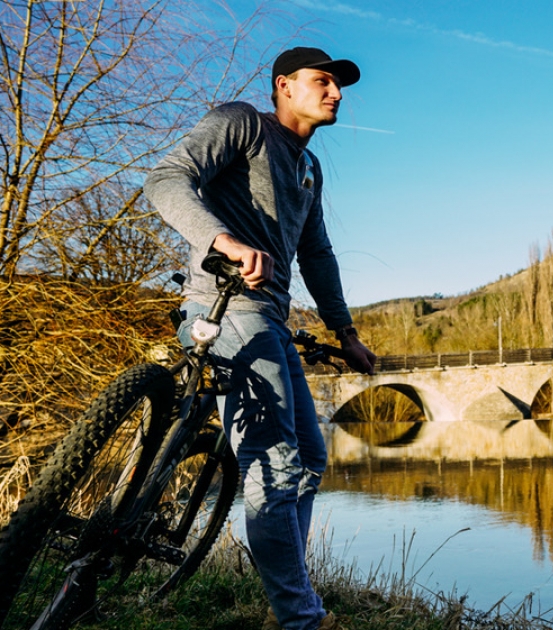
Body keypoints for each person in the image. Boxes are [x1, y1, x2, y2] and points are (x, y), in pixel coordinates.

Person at [145, 46, 376, 630]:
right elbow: (166, 179)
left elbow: (317, 254)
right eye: (321, 81)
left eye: (339, 85)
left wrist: (344, 331)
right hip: (224, 306)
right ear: (283, 86)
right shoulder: (242, 123)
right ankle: (300, 618)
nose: (336, 92)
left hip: (270, 316)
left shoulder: (307, 169)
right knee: (273, 465)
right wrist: (222, 241)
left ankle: (289, 601)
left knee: (311, 457)